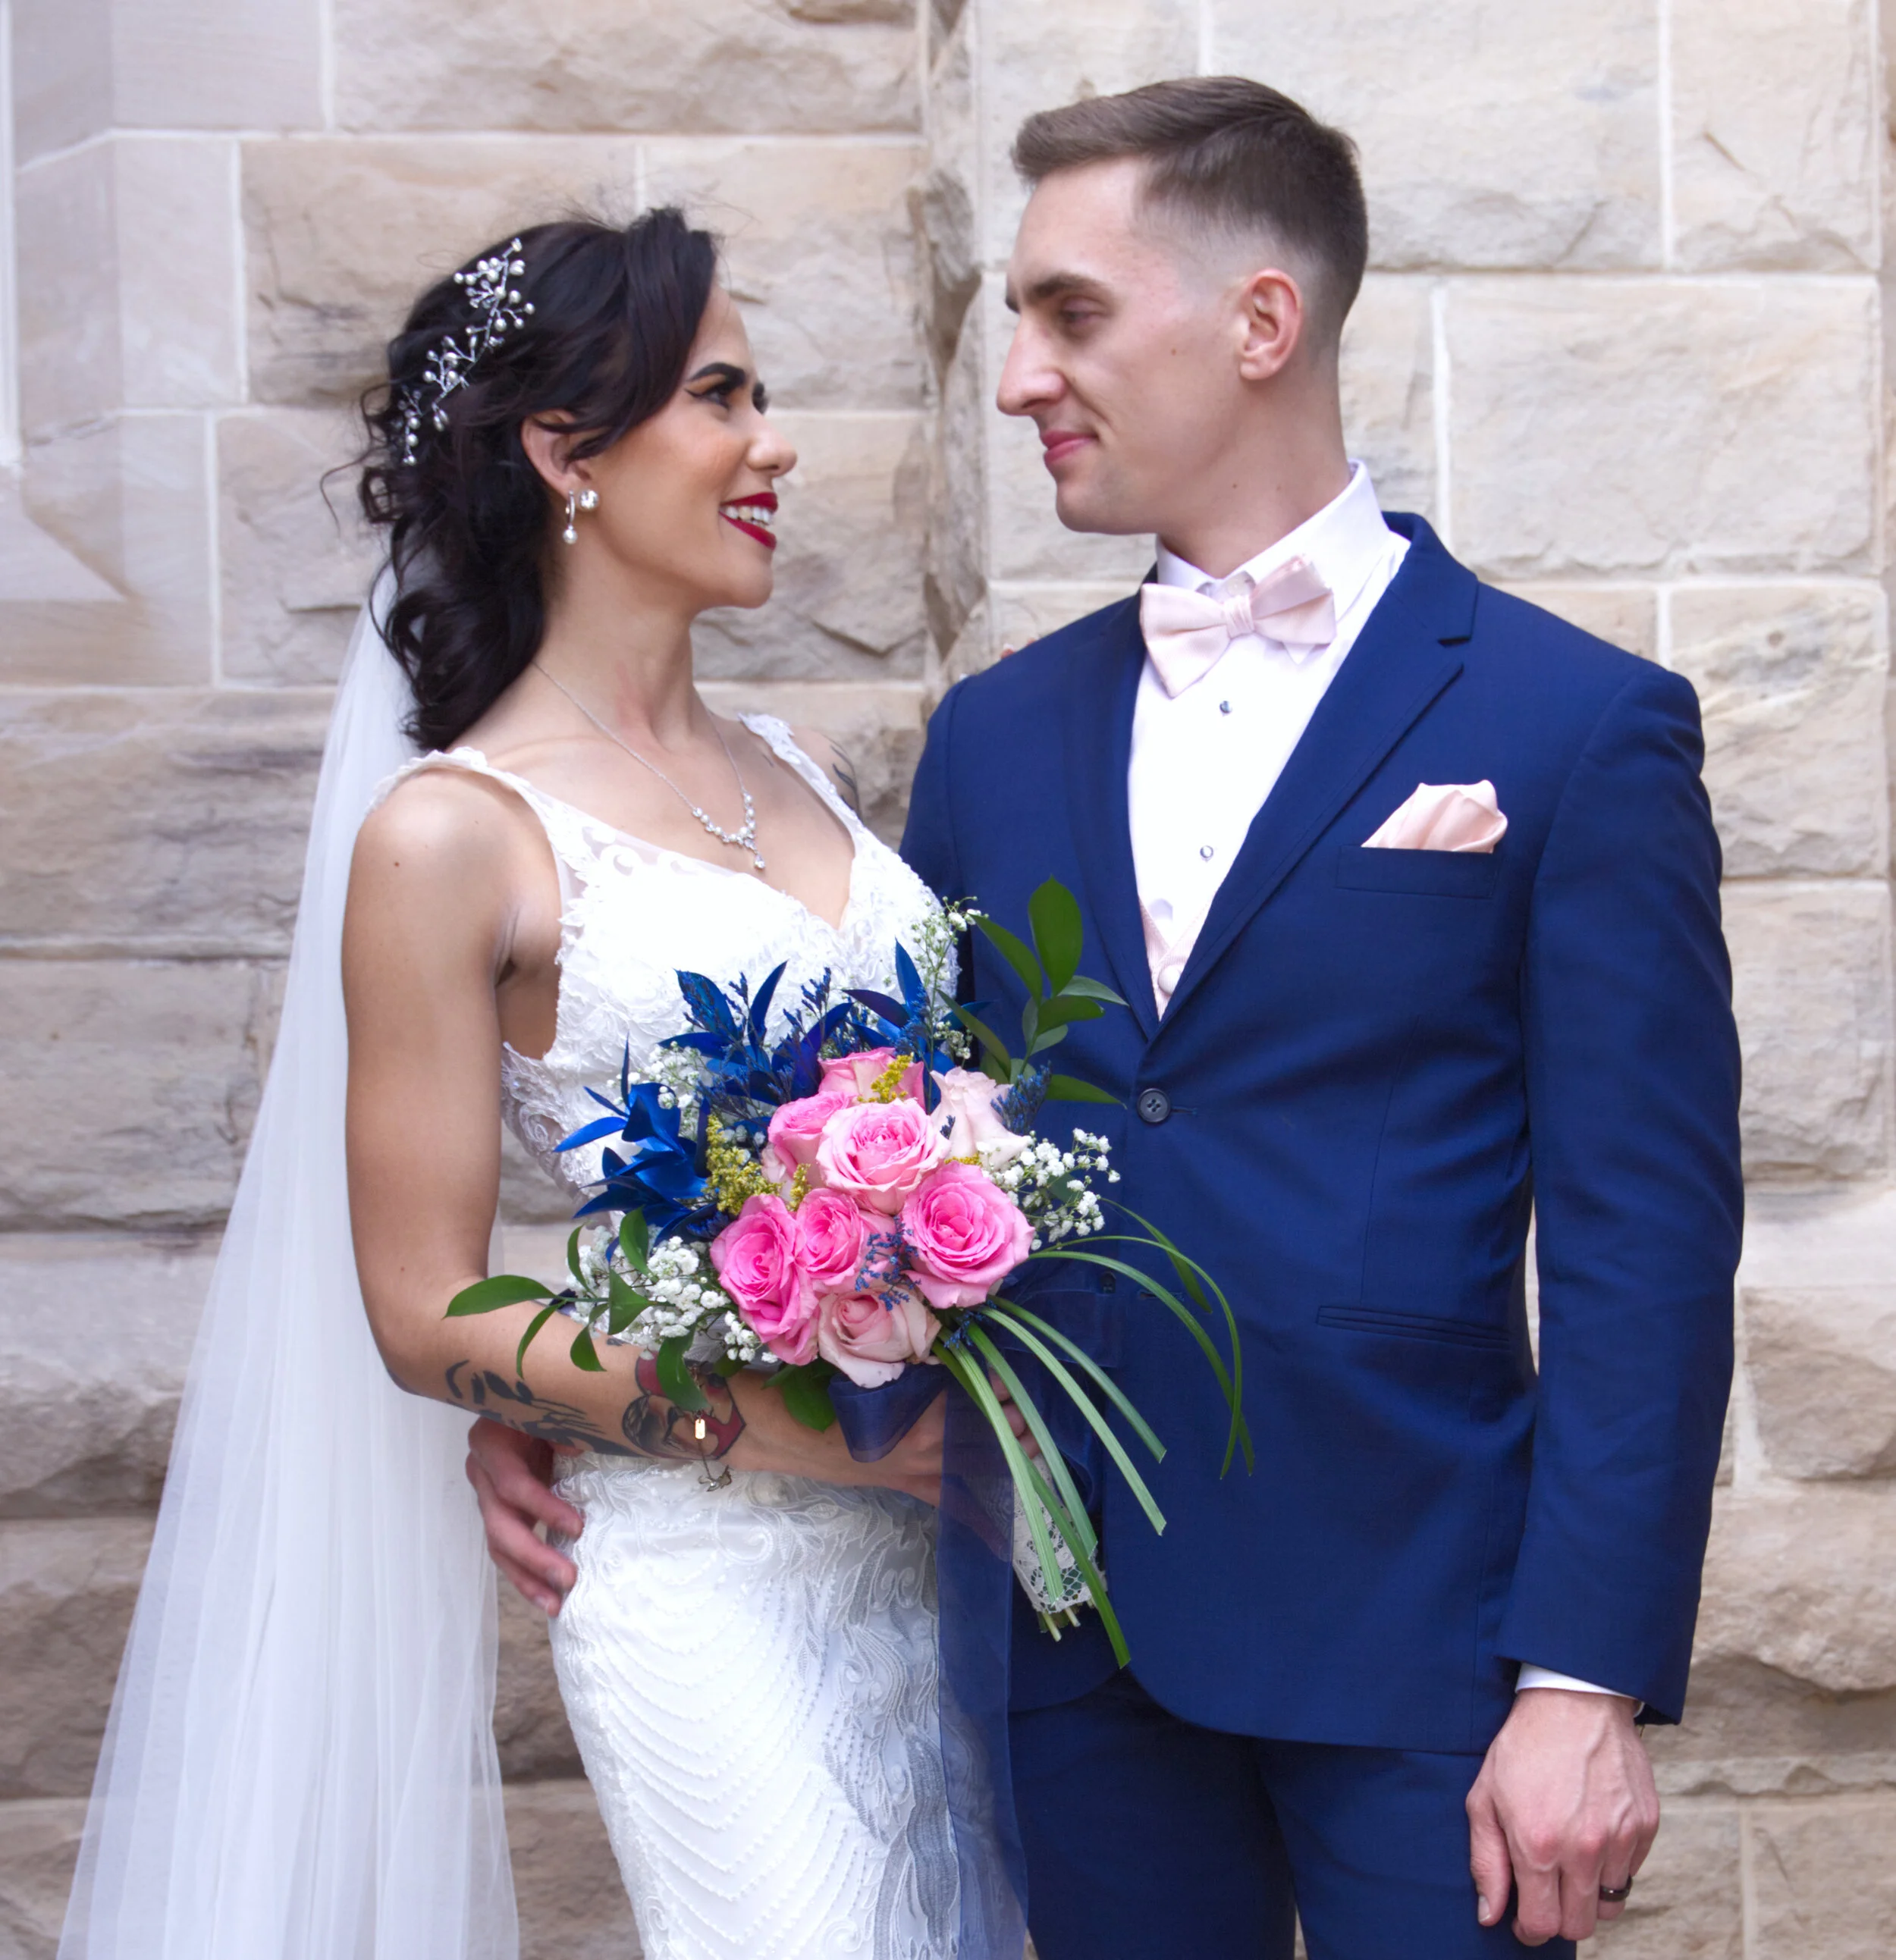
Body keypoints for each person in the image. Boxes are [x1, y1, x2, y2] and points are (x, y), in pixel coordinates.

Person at [474, 77, 1743, 1960]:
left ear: (1258, 323)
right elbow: (875, 1146)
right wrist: (589, 1391)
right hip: (1058, 1645)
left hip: (1429, 1657)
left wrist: (1582, 1677)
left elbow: (1646, 1241)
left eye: (1068, 312)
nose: (1014, 380)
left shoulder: (1571, 727)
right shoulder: (999, 734)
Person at [64, 209, 1024, 1960]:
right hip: (718, 1580)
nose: (773, 444)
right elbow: (422, 1305)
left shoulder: (796, 766)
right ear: (563, 453)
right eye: (721, 396)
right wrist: (830, 1440)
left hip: (950, 1563)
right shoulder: (452, 833)